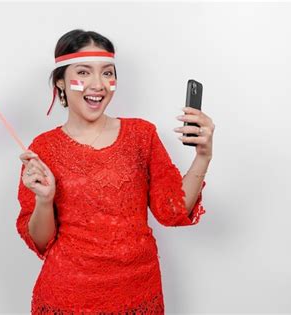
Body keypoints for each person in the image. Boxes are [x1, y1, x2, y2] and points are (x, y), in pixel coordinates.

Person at [16, 29, 214, 314]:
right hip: (67, 296)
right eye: (83, 73)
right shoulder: (43, 149)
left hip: (138, 292)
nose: (98, 84)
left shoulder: (141, 135)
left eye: (107, 73)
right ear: (60, 82)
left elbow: (173, 211)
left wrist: (203, 156)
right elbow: (41, 241)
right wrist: (44, 200)